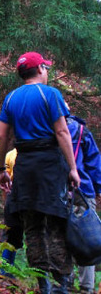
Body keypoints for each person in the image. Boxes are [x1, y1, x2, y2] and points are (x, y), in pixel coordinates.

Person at [0, 52, 80, 294]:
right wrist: (73, 168)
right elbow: (63, 133)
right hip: (50, 166)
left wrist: (1, 169)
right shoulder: (50, 94)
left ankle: (42, 285)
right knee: (57, 223)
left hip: (24, 167)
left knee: (32, 226)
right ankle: (61, 285)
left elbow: (2, 136)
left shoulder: (11, 98)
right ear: (40, 68)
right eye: (46, 67)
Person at [66, 113, 101, 294]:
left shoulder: (47, 130)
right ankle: (87, 287)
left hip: (58, 192)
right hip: (83, 190)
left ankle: (65, 281)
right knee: (86, 237)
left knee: (62, 235)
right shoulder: (81, 131)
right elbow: (94, 163)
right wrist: (98, 189)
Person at [0, 148, 24, 277]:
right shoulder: (10, 155)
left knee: (14, 233)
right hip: (16, 195)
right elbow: (5, 180)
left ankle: (8, 269)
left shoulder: (10, 154)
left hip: (14, 196)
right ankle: (4, 269)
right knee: (12, 233)